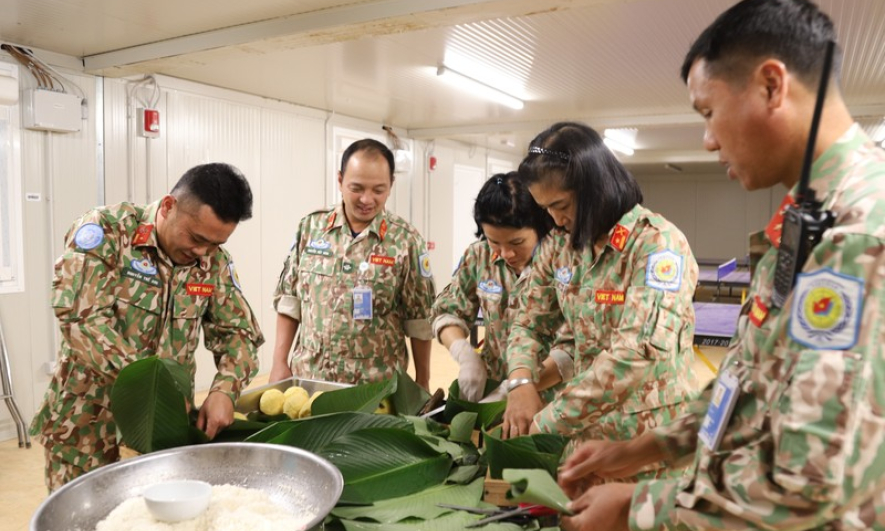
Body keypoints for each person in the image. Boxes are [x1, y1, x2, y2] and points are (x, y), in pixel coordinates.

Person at [558, 1, 885, 530]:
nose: (708, 139)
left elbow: (810, 480)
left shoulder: (858, 233)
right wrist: (641, 449)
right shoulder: (811, 218)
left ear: (772, 85)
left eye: (708, 112)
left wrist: (636, 507)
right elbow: (751, 384)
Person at [29, 163, 264, 492]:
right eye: (196, 238)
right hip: (86, 427)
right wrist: (155, 391)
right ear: (169, 206)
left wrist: (225, 389)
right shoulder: (107, 232)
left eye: (215, 244)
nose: (202, 252)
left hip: (161, 435)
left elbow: (239, 335)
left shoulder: (213, 262)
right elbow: (83, 318)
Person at [501, 122, 699, 478]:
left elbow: (634, 355)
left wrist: (548, 419)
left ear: (595, 186)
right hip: (583, 445)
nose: (556, 220)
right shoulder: (560, 246)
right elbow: (528, 320)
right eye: (545, 209)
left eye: (561, 204)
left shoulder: (656, 245)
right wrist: (520, 382)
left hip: (649, 451)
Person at [270, 139, 435, 389]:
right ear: (340, 180)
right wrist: (279, 362)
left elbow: (420, 320)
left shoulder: (405, 241)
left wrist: (423, 381)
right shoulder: (312, 228)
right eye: (356, 188)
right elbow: (290, 300)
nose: (367, 199)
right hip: (311, 379)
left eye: (378, 190)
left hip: (374, 388)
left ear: (391, 185)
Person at [432, 171, 571, 402]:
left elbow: (574, 348)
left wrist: (518, 387)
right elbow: (447, 311)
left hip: (550, 399)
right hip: (492, 391)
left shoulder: (564, 263)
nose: (506, 253)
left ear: (539, 227)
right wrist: (464, 355)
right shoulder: (479, 257)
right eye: (494, 241)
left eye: (517, 242)